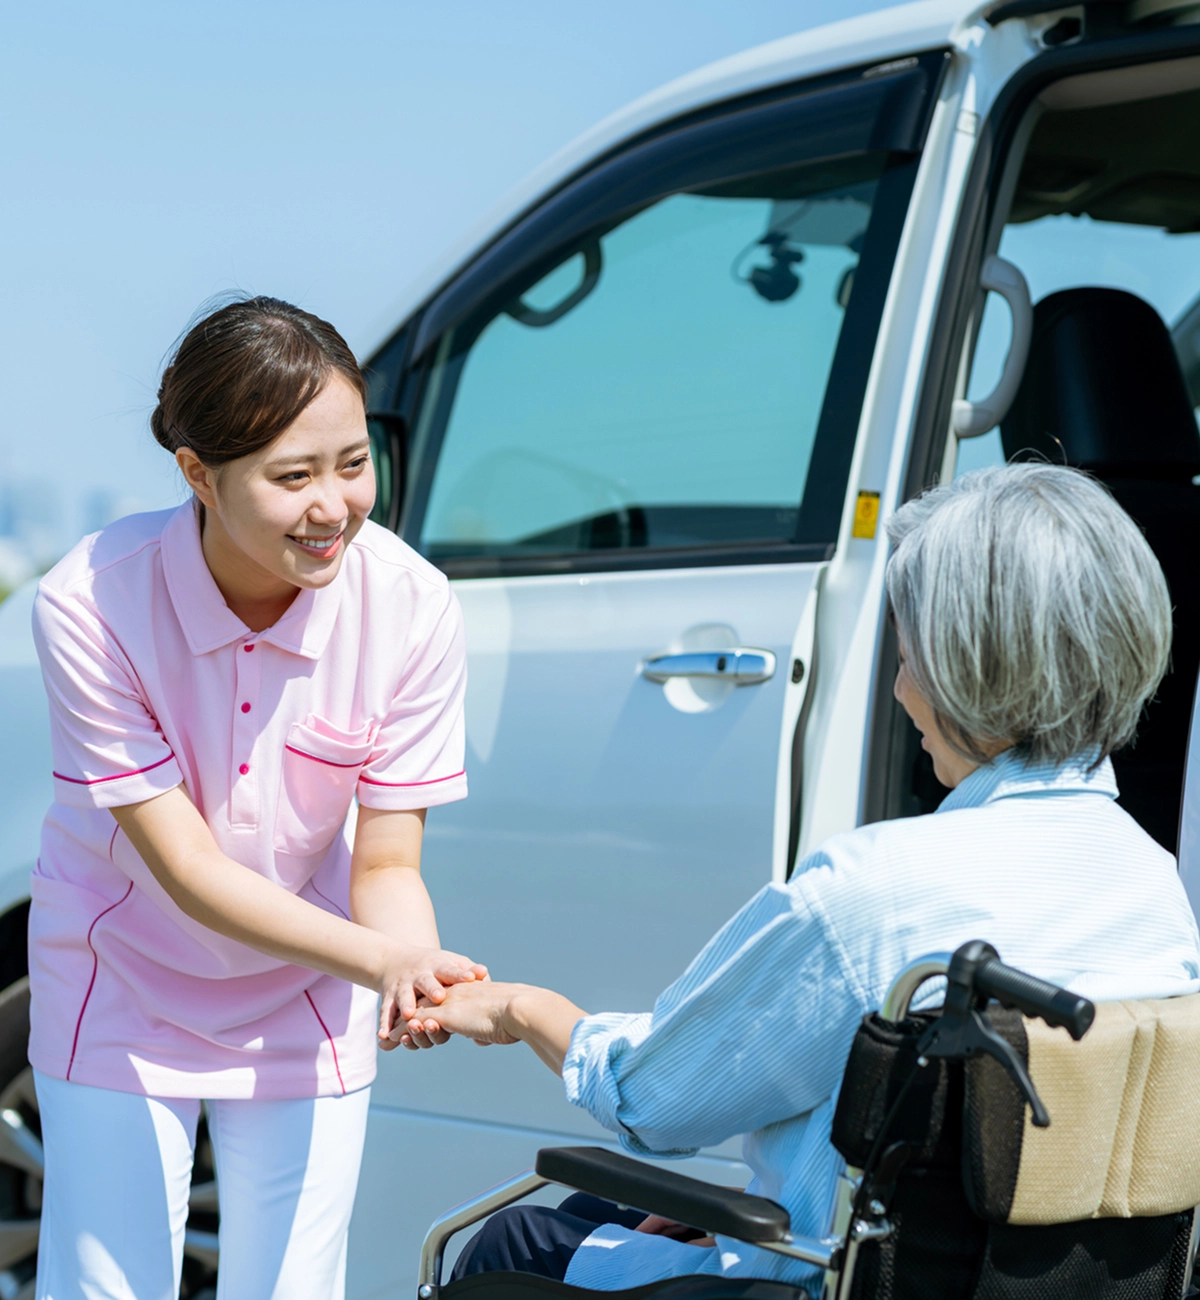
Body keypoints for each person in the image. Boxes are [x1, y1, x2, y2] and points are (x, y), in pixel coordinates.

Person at [418, 464, 1200, 1296]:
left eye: (909, 659)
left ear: (963, 672)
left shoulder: (873, 891)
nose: (901, 690)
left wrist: (520, 1009)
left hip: (829, 1281)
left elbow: (655, 1101)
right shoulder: (1157, 893)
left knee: (513, 1240)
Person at [30, 297, 485, 1300]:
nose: (336, 506)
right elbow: (188, 871)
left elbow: (388, 863)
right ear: (197, 474)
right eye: (293, 477)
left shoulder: (410, 605)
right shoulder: (89, 599)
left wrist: (410, 970)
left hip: (306, 988)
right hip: (120, 981)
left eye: (355, 463)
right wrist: (386, 958)